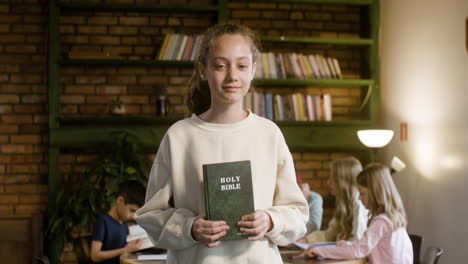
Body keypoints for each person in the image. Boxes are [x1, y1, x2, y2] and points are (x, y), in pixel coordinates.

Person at [135, 23, 309, 264]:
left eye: (241, 66)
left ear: (252, 71)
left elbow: (299, 214)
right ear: (203, 70)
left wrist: (270, 221)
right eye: (220, 65)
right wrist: (190, 227)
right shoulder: (179, 136)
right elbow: (150, 214)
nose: (232, 76)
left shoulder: (269, 134)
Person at [302, 163, 413, 264]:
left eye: (362, 193)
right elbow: (369, 248)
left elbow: (357, 251)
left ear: (376, 193)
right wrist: (350, 245)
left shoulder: (381, 222)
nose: (359, 198)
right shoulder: (392, 218)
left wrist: (320, 250)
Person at [301, 156, 368, 244]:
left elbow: (357, 242)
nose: (328, 182)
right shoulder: (344, 205)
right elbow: (330, 234)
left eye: (333, 179)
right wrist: (305, 240)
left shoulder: (359, 206)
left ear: (344, 181)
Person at [90, 180, 146, 264]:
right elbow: (94, 256)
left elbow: (122, 247)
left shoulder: (123, 223)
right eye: (132, 211)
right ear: (120, 200)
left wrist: (133, 245)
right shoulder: (103, 222)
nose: (133, 216)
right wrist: (124, 250)